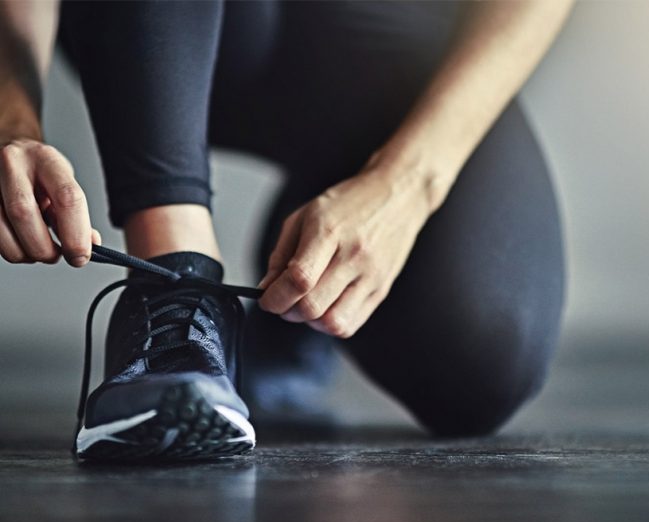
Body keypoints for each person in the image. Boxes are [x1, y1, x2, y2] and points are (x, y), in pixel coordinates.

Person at [0, 0, 572, 461]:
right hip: (166, 27)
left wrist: (407, 182)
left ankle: (297, 266)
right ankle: (176, 294)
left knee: (481, 366)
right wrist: (12, 121)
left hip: (395, 36)